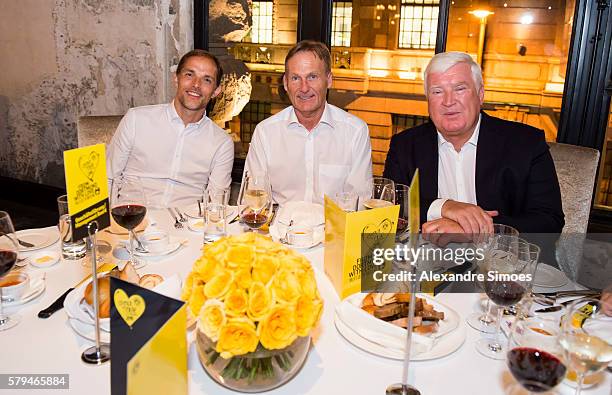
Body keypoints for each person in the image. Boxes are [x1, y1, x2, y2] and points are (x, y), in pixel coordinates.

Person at [383, 51, 564, 236]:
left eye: (460, 89)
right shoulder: (404, 145)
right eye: (437, 91)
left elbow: (549, 221)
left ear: (480, 95)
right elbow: (389, 209)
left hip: (499, 257)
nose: (448, 101)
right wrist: (443, 207)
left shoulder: (525, 143)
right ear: (428, 100)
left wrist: (470, 230)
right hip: (428, 258)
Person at [244, 40, 372, 205]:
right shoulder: (265, 132)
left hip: (334, 229)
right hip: (278, 228)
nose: (304, 88)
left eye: (312, 77)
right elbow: (253, 199)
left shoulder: (355, 132)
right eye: (296, 78)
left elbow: (360, 203)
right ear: (286, 83)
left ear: (329, 80)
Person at [106, 49, 234, 208]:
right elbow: (108, 177)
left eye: (206, 80)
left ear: (216, 91)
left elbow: (217, 202)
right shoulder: (136, 119)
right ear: (176, 78)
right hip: (132, 219)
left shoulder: (222, 143)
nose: (196, 85)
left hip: (186, 227)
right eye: (189, 74)